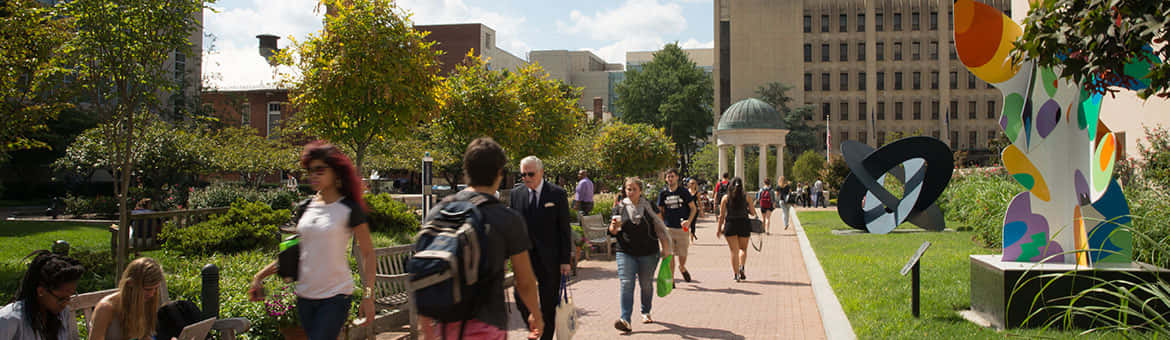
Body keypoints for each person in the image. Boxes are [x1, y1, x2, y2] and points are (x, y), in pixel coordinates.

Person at [248, 141, 376, 340]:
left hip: (335, 297)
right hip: (305, 297)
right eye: (310, 170)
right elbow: (295, 252)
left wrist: (368, 296)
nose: (313, 175)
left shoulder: (349, 209)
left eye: (320, 170)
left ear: (335, 172)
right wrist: (259, 276)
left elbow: (368, 253)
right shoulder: (305, 208)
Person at [419, 138, 544, 339]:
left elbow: (425, 269)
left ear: (466, 170)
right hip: (487, 327)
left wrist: (425, 327)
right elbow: (524, 281)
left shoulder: (439, 211)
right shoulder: (507, 218)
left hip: (445, 327)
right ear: (499, 174)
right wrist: (536, 314)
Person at [509, 156, 572, 340]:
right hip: (524, 258)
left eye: (530, 174)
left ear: (541, 172)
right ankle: (533, 322)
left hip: (550, 260)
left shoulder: (557, 194)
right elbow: (512, 227)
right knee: (519, 296)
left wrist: (564, 260)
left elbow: (564, 230)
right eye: (523, 175)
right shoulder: (516, 194)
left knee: (548, 303)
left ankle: (545, 336)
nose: (526, 178)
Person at [608, 177, 672, 333]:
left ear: (641, 191)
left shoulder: (649, 206)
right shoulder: (620, 207)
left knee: (646, 284)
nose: (630, 192)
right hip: (625, 251)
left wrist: (666, 249)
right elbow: (611, 231)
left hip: (648, 252)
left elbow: (660, 228)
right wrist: (614, 228)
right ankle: (625, 319)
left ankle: (645, 311)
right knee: (626, 283)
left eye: (633, 189)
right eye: (628, 189)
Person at [0, 251, 85, 340]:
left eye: (70, 296)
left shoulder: (61, 313)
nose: (66, 303)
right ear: (41, 291)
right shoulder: (8, 320)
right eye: (61, 299)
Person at [89, 258, 163, 340]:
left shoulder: (146, 301)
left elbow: (145, 336)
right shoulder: (106, 308)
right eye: (147, 289)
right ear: (130, 284)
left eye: (156, 288)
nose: (152, 294)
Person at [657, 169, 696, 283]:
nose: (670, 179)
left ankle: (682, 268)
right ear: (666, 179)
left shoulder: (683, 192)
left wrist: (689, 221)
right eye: (668, 177)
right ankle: (672, 279)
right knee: (669, 255)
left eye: (672, 176)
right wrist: (661, 224)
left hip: (682, 229)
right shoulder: (663, 193)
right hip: (668, 228)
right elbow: (659, 210)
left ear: (677, 178)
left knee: (682, 255)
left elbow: (693, 208)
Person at [717, 178, 757, 282]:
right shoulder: (746, 197)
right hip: (744, 224)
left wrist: (718, 229)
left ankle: (736, 275)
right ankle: (742, 267)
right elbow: (753, 212)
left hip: (730, 225)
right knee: (743, 249)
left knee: (733, 251)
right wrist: (746, 209)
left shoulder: (725, 198)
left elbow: (721, 216)